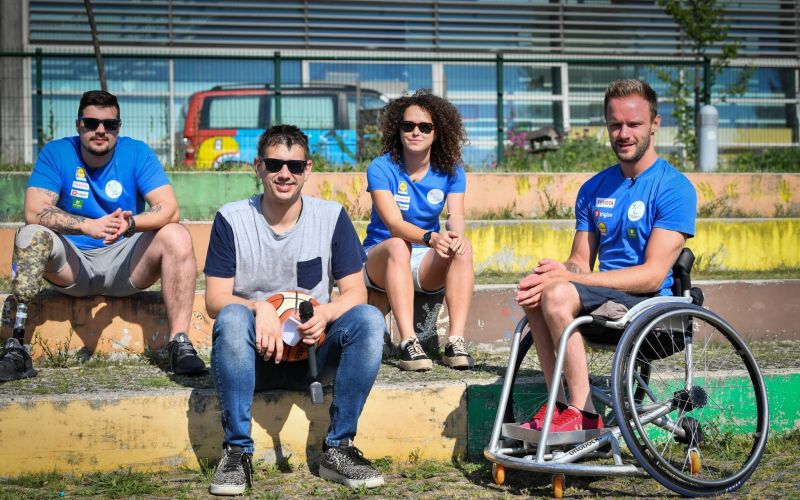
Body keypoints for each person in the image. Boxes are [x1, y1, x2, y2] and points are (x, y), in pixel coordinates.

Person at [204, 125, 386, 495]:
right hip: (254, 359)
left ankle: (339, 449)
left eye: (295, 166)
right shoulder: (231, 219)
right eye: (274, 164)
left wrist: (326, 314)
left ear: (307, 169)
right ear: (258, 167)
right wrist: (259, 308)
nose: (284, 174)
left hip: (314, 360)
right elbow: (215, 299)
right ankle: (236, 453)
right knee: (232, 317)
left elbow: (356, 292)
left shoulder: (331, 216)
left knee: (368, 319)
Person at [515, 79, 697, 432]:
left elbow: (651, 276)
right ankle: (559, 406)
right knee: (537, 293)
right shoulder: (593, 189)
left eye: (634, 124)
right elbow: (579, 262)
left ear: (655, 124)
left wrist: (569, 279)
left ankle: (583, 413)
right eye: (615, 125)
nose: (623, 134)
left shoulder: (674, 188)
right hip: (605, 301)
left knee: (559, 293)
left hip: (650, 308)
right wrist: (555, 272)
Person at [0, 90, 204, 383]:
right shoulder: (57, 153)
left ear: (118, 128)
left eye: (109, 124)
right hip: (73, 264)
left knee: (177, 235)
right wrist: (87, 226)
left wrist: (131, 224)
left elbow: (169, 208)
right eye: (91, 123)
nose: (100, 130)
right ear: (78, 124)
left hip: (125, 264)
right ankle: (16, 347)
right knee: (31, 234)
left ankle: (179, 344)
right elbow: (34, 210)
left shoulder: (136, 152)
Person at [362, 90, 475, 372]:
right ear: (397, 129)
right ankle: (408, 342)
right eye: (408, 125)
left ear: (437, 133)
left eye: (425, 127)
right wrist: (430, 237)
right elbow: (394, 225)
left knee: (462, 248)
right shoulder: (381, 167)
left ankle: (456, 342)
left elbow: (456, 215)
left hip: (423, 259)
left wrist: (454, 236)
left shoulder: (451, 170)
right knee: (399, 244)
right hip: (381, 256)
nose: (416, 132)